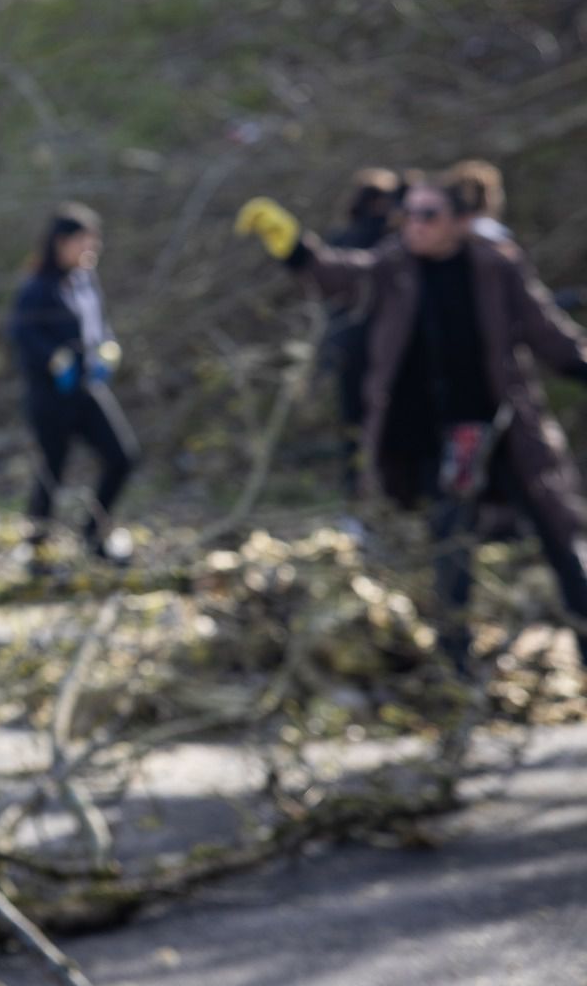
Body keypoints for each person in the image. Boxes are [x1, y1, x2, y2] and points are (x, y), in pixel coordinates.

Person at [238, 180, 587, 676]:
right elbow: (335, 275)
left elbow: (550, 335)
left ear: (458, 221)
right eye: (411, 214)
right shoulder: (393, 266)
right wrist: (293, 246)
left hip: (507, 432)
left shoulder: (495, 267)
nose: (415, 224)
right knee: (452, 552)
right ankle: (456, 677)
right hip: (439, 440)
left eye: (428, 214)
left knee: (561, 541)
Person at [9, 204, 140, 566]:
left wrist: (109, 348)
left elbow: (99, 325)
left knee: (122, 457)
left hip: (87, 390)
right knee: (52, 470)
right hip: (50, 397)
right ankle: (37, 550)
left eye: (94, 242)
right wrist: (54, 358)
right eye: (84, 241)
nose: (91, 249)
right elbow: (21, 335)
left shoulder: (86, 280)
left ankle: (93, 535)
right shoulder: (37, 287)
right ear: (61, 242)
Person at [323, 169, 402, 502]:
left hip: (345, 349)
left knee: (353, 428)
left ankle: (359, 495)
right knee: (377, 426)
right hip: (374, 351)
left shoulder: (338, 240)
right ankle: (375, 498)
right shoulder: (386, 244)